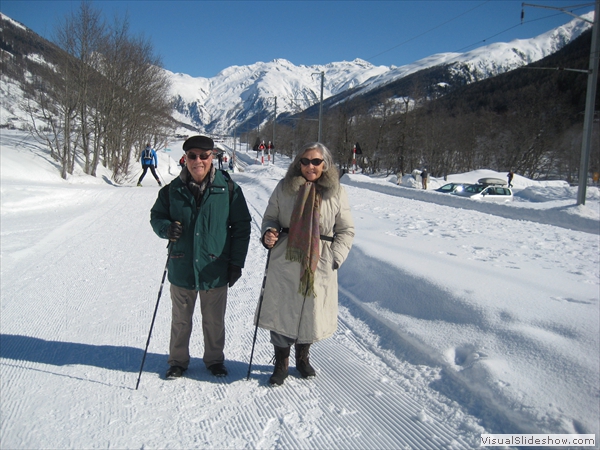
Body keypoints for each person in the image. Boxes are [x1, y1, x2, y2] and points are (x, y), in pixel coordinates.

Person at [150, 135, 252, 379]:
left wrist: (236, 263)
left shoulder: (227, 189)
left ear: (212, 157)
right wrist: (166, 228)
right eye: (193, 156)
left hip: (214, 267)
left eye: (204, 156)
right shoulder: (172, 190)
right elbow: (156, 217)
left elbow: (242, 226)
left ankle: (214, 360)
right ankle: (177, 361)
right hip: (182, 265)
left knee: (214, 322)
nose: (198, 161)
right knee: (180, 321)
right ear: (185, 159)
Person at [257, 142, 355, 386]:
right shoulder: (285, 187)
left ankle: (302, 358)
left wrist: (336, 257)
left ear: (325, 164)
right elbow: (270, 217)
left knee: (310, 311)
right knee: (283, 309)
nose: (310, 166)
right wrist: (269, 231)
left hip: (319, 261)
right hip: (287, 258)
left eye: (316, 161)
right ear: (298, 163)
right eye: (305, 161)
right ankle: (281, 363)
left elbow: (346, 229)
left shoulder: (337, 192)